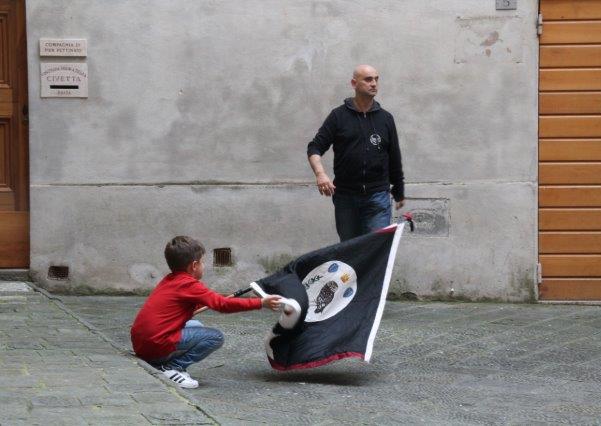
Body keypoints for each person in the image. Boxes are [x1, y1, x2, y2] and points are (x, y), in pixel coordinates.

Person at [130, 236, 281, 389]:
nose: (204, 265)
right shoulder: (189, 285)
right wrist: (260, 303)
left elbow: (199, 302)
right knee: (215, 337)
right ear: (194, 266)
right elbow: (222, 305)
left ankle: (160, 362)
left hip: (143, 346)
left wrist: (209, 303)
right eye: (202, 262)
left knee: (196, 325)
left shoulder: (170, 280)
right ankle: (172, 367)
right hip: (155, 347)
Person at [307, 64, 405, 241]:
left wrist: (399, 190)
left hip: (377, 197)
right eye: (368, 79)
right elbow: (314, 147)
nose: (374, 83)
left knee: (376, 248)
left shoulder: (385, 118)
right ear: (354, 83)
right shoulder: (338, 116)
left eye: (376, 79)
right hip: (346, 197)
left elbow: (394, 156)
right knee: (350, 249)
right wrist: (320, 174)